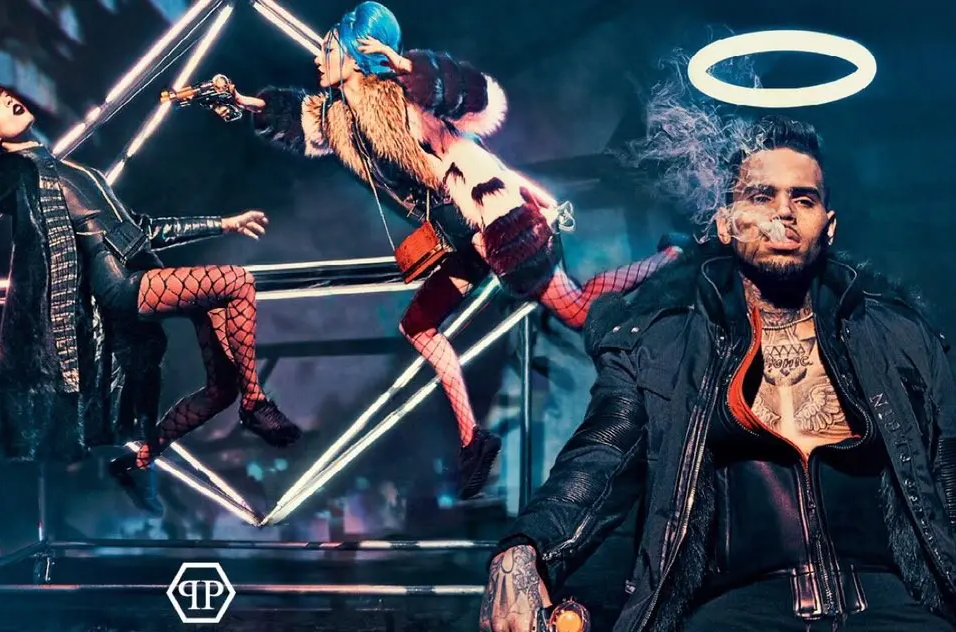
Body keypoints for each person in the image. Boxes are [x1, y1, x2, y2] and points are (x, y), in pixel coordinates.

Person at [479, 115, 956, 631]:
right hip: (737, 611)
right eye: (761, 196)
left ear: (828, 226)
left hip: (889, 606)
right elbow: (598, 459)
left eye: (803, 199)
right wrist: (524, 548)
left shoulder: (899, 336)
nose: (783, 212)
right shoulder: (661, 346)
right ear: (724, 223)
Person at [217, 1, 680, 499]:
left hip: (497, 218)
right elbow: (296, 119)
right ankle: (471, 439)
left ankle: (673, 258)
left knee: (578, 311)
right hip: (462, 235)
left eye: (328, 48)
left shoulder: (404, 99)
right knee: (418, 325)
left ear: (353, 54)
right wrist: (243, 102)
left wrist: (411, 69)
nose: (317, 57)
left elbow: (480, 100)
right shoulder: (340, 118)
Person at [0, 45, 301, 515]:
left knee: (221, 389)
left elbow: (142, 228)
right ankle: (256, 404)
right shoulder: (17, 175)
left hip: (141, 268)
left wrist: (222, 223)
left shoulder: (69, 168)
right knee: (235, 280)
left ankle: (140, 462)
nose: (8, 100)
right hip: (119, 283)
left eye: (1, 93)